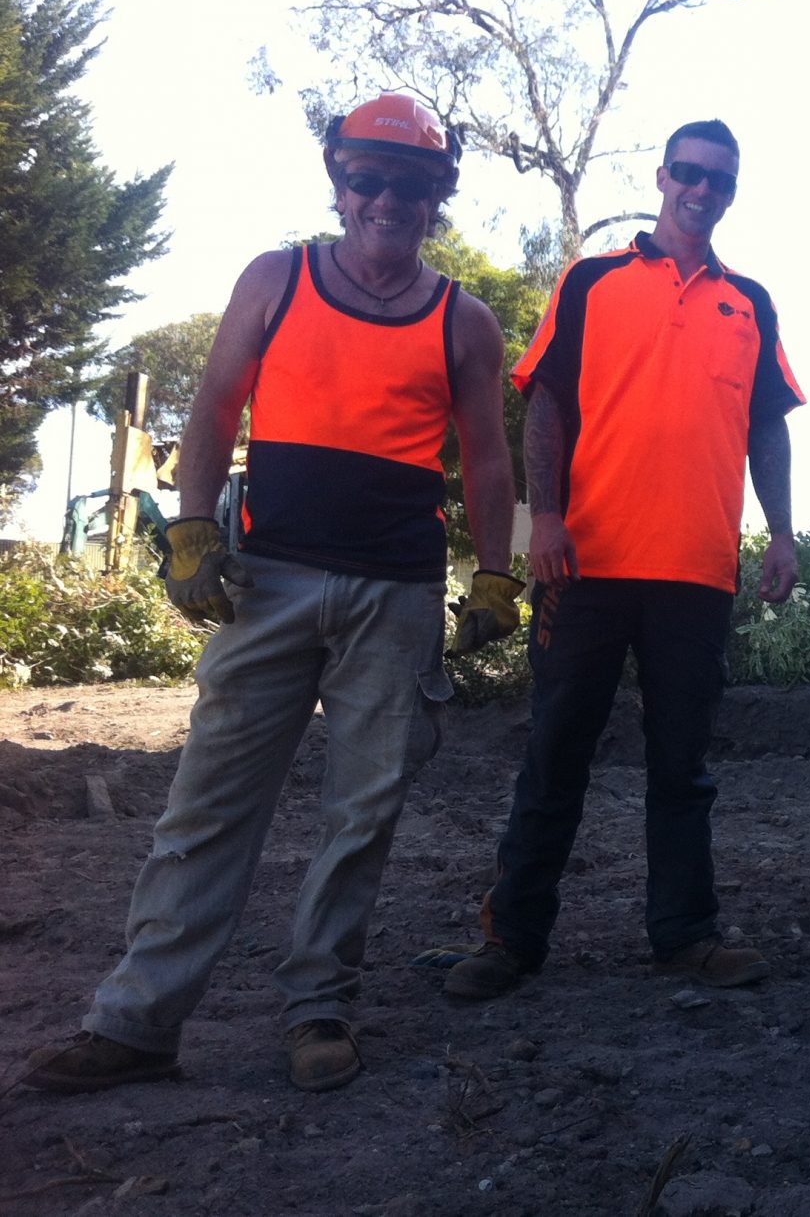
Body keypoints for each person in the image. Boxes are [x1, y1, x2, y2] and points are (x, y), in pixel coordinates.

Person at [24, 95, 519, 1094]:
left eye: (410, 184)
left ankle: (320, 1005)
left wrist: (499, 574)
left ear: (436, 198)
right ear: (338, 183)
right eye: (366, 177)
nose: (385, 198)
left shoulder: (462, 320)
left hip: (397, 593)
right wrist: (191, 527)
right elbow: (213, 401)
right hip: (272, 577)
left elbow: (488, 457)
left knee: (360, 811)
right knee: (209, 801)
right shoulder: (277, 279)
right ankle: (136, 1022)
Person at [442, 118, 803, 1002]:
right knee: (555, 752)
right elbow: (545, 405)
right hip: (587, 567)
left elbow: (766, 426)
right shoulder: (594, 281)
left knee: (683, 767)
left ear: (731, 189)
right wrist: (548, 518)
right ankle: (513, 940)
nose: (701, 189)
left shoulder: (748, 302)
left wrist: (784, 532)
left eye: (719, 178)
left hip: (697, 572)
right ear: (662, 176)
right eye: (688, 172)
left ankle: (685, 934)